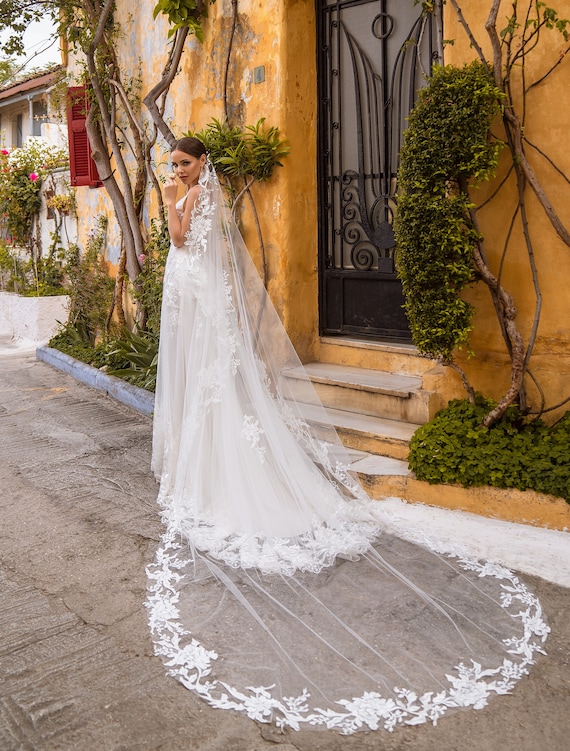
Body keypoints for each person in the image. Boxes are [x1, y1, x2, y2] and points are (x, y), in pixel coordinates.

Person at [147, 137, 548, 734]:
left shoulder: (195, 194)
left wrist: (171, 199)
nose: (177, 170)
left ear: (202, 164)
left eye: (184, 162)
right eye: (173, 164)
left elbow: (179, 242)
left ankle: (215, 476)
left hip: (197, 298)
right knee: (217, 389)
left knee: (215, 390)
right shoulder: (214, 193)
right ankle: (207, 463)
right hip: (199, 298)